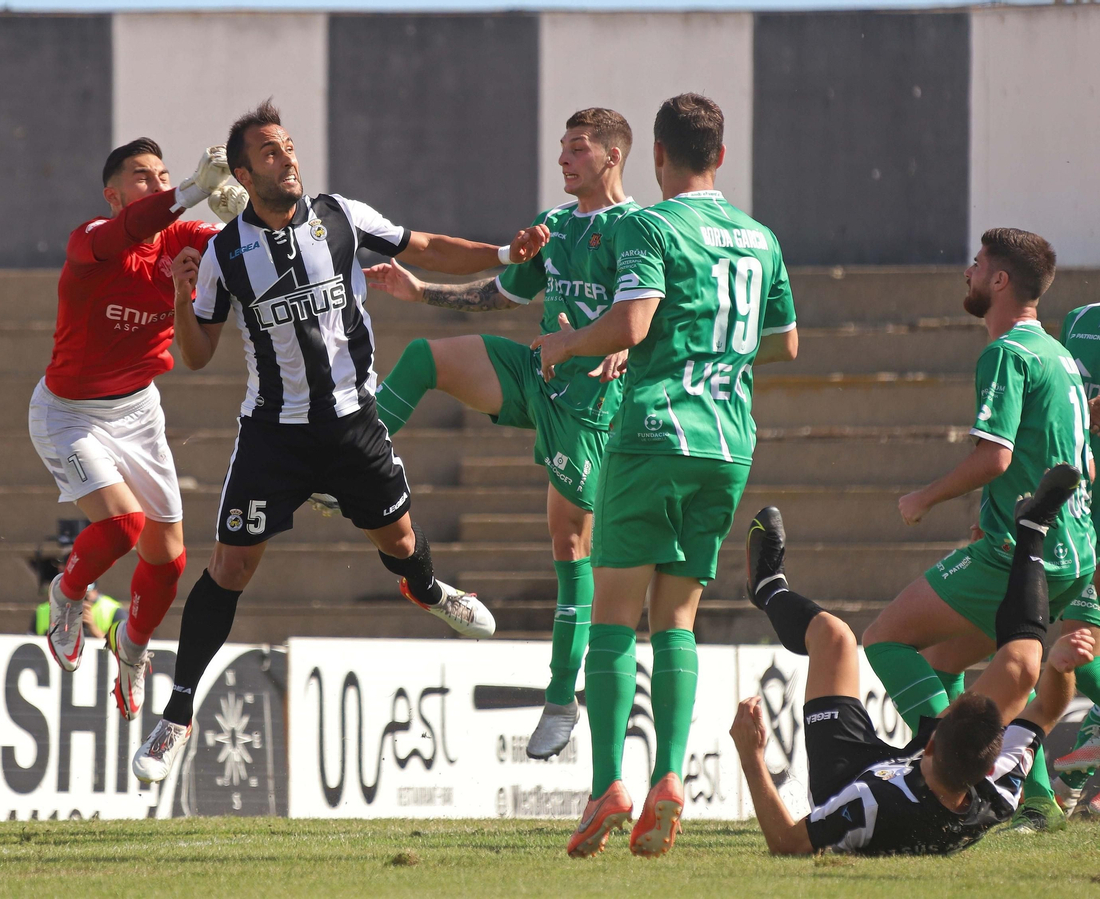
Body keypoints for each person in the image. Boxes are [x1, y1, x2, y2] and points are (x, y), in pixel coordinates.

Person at [130, 99, 547, 782]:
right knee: (229, 568)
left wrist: (503, 254)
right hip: (273, 434)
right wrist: (180, 300)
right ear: (243, 174)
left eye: (289, 146)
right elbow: (197, 355)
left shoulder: (342, 216)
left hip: (353, 423)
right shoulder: (225, 252)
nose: (287, 158)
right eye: (270, 152)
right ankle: (177, 712)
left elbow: (423, 246)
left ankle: (427, 589)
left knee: (402, 544)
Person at [533, 93, 798, 857]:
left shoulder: (649, 225)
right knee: (676, 617)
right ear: (721, 155)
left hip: (654, 432)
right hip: (728, 444)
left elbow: (633, 323)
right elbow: (783, 343)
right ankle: (671, 776)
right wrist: (717, 350)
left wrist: (567, 344)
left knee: (614, 616)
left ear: (655, 155)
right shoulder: (760, 237)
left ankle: (607, 786)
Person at [365, 107, 640, 760]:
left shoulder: (639, 228)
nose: (564, 158)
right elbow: (504, 295)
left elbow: (663, 309)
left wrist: (629, 345)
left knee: (570, 542)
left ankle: (560, 698)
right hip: (538, 372)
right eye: (563, 147)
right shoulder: (556, 225)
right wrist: (421, 290)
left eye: (578, 148)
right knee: (424, 359)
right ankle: (353, 462)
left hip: (591, 404)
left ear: (612, 156)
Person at [859, 228, 1098, 833]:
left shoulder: (1007, 353)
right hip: (1073, 549)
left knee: (884, 639)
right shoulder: (1058, 355)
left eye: (976, 263)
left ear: (999, 279)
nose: (967, 271)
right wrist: (993, 510)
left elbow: (995, 456)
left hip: (1021, 553)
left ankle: (945, 777)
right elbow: (1079, 461)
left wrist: (923, 497)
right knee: (943, 661)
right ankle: (1034, 800)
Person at [732, 466, 1096, 855]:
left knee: (834, 638)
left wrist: (752, 757)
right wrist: (1060, 668)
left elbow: (788, 844)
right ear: (988, 769)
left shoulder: (867, 804)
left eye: (947, 711)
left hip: (846, 774)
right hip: (925, 776)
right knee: (1021, 670)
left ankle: (768, 588)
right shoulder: (995, 792)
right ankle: (1033, 531)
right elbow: (1047, 709)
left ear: (933, 742)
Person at [29, 136, 246, 721]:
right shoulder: (91, 239)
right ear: (114, 194)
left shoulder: (182, 240)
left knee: (169, 560)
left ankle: (131, 646)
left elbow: (249, 251)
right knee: (123, 526)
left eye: (164, 175)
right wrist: (191, 191)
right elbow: (133, 227)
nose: (157, 183)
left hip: (138, 411)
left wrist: (244, 215)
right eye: (142, 176)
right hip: (69, 413)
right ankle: (66, 595)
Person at [1045, 300, 1100, 813]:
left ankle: (1069, 785)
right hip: (1083, 504)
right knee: (1080, 642)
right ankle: (1071, 785)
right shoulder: (1080, 321)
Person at [33, 586, 122, 640]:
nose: (80, 603)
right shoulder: (45, 610)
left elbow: (122, 650)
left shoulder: (112, 611)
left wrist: (93, 629)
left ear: (95, 592)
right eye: (74, 598)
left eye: (85, 597)